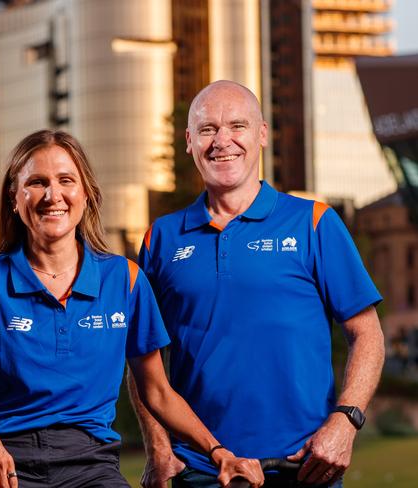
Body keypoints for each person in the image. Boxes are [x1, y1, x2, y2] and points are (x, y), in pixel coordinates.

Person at [0, 129, 265, 488]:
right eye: (36, 182)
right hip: (5, 463)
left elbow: (157, 392)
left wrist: (219, 452)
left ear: (86, 195)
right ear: (14, 199)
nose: (53, 195)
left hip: (92, 464)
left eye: (66, 180)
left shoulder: (125, 280)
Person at [128, 80, 385, 488]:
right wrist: (159, 448)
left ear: (262, 134)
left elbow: (368, 334)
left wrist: (346, 420)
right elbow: (143, 362)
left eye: (237, 126)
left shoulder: (314, 223)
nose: (222, 141)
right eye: (208, 129)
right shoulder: (159, 239)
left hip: (302, 467)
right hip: (201, 471)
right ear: (189, 141)